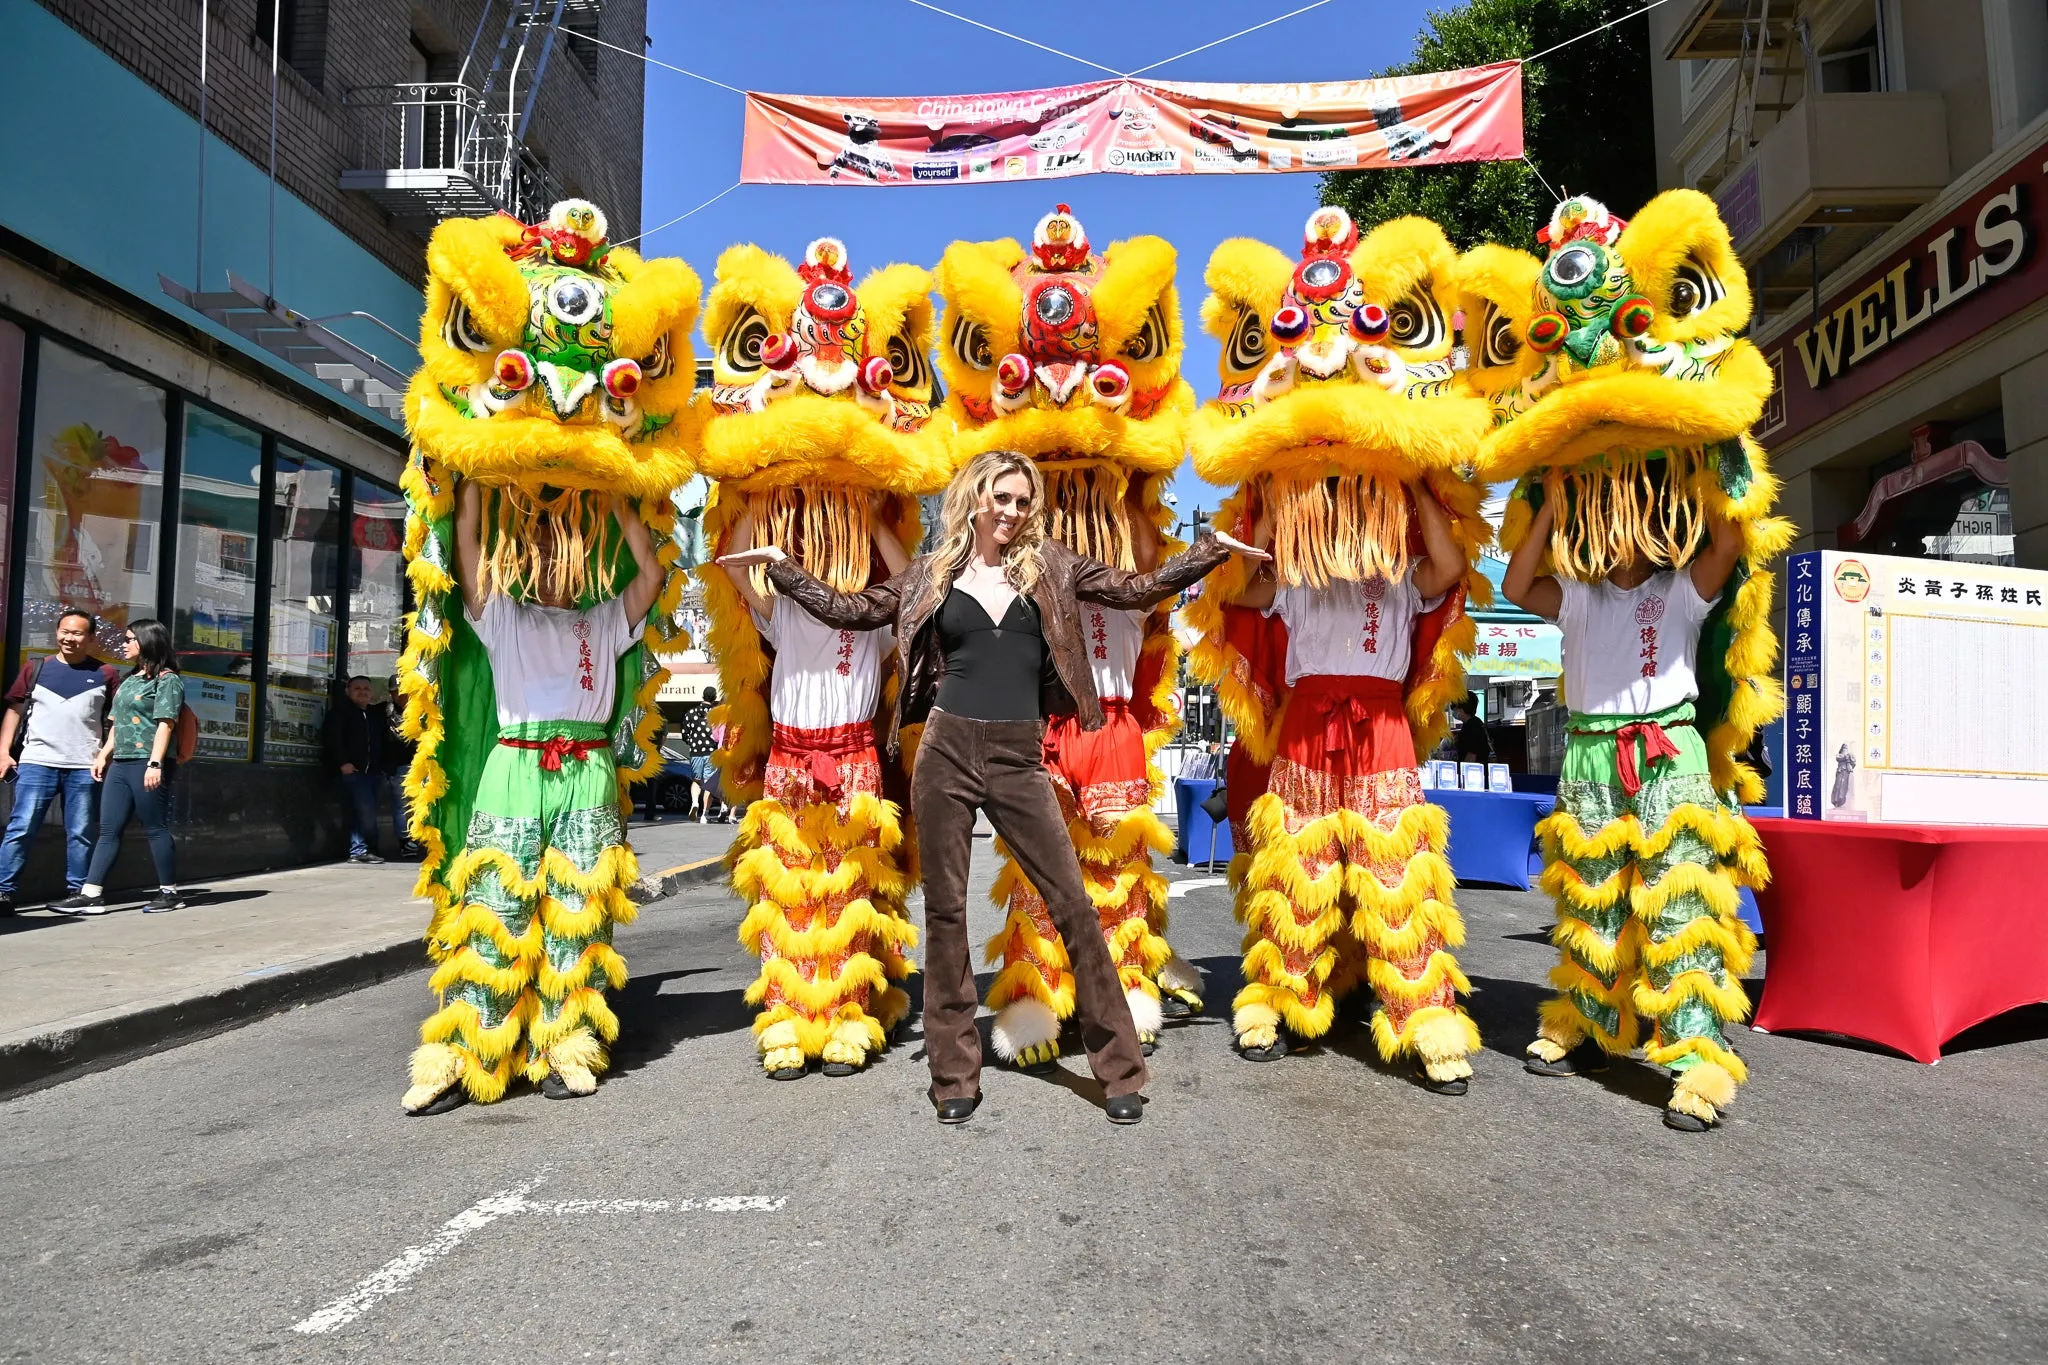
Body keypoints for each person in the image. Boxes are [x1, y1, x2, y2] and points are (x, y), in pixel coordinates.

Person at [721, 448, 1265, 1125]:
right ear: (974, 500)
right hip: (946, 746)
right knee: (946, 915)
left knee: (1073, 903)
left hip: (1017, 752)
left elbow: (1135, 589)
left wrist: (1207, 551)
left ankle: (1120, 1069)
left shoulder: (1054, 567)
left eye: (1022, 499)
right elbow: (851, 610)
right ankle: (954, 1074)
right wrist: (783, 568)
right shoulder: (932, 574)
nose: (1012, 510)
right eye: (1001, 497)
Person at [400, 480, 664, 1115]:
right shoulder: (503, 615)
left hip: (587, 768)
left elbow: (651, 573)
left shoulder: (605, 620)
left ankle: (566, 1046)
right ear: (521, 562)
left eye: (566, 555)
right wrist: (467, 492)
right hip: (514, 765)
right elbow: (465, 551)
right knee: (495, 910)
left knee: (578, 910)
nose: (553, 567)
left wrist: (622, 505)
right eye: (540, 554)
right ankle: (469, 1055)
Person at [1502, 492, 1757, 1132]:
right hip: (1590, 754)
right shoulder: (1578, 596)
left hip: (1668, 755)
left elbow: (1728, 543)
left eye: (1641, 519)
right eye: (1611, 518)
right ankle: (1589, 1027)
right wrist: (1553, 511)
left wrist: (1714, 468)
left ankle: (1696, 1058)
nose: (1626, 534)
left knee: (1677, 910)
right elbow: (1514, 584)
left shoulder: (1682, 589)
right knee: (1592, 906)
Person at [1226, 485, 1483, 1091]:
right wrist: (1276, 507)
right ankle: (1284, 997)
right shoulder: (1294, 573)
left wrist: (1416, 484)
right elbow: (1236, 589)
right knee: (1297, 865)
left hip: (1382, 722)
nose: (1348, 517)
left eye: (1364, 503)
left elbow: (1450, 568)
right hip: (1308, 721)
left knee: (1395, 870)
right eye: (1334, 503)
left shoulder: (1403, 574)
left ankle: (1423, 1015)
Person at [719, 498, 914, 1079]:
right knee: (788, 893)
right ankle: (786, 1016)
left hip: (856, 758)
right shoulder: (782, 609)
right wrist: (760, 500)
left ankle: (848, 1014)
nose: (832, 557)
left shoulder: (875, 616)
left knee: (847, 891)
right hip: (790, 760)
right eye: (823, 547)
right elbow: (732, 565)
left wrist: (872, 518)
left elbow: (912, 583)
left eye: (844, 548)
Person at [54, 619, 185, 915]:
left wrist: (155, 763)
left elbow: (166, 724)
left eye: (129, 639)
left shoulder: (167, 680)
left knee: (155, 827)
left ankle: (169, 892)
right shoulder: (130, 679)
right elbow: (117, 723)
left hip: (148, 762)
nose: (124, 644)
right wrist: (104, 755)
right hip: (122, 763)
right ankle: (91, 894)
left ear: (146, 641)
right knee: (108, 829)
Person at [0, 609, 118, 914]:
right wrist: (3, 752)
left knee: (79, 831)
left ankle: (78, 892)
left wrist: (104, 755)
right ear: (57, 633)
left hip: (84, 765)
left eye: (78, 633)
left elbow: (116, 720)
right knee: (21, 827)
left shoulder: (106, 673)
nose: (69, 638)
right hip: (37, 761)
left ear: (91, 638)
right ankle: (3, 891)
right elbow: (14, 711)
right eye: (65, 631)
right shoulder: (36, 668)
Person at [325, 675, 397, 864]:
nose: (362, 692)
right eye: (357, 688)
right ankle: (362, 849)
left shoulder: (375, 715)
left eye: (366, 689)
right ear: (348, 690)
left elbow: (385, 742)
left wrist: (385, 768)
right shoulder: (339, 713)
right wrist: (343, 763)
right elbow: (333, 740)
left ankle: (362, 850)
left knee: (364, 811)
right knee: (365, 810)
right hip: (353, 773)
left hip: (374, 773)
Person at [1452, 695, 1495, 765]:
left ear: (1461, 710)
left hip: (1474, 772)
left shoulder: (1471, 727)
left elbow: (1471, 756)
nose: (1453, 711)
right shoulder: (1476, 722)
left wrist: (1463, 772)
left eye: (1454, 708)